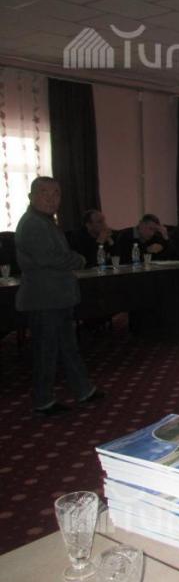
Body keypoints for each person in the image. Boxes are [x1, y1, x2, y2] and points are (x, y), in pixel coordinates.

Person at [15, 177, 103, 415]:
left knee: (67, 347)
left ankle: (83, 390)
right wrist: (79, 259)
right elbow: (49, 258)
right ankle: (43, 401)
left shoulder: (45, 221)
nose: (51, 199)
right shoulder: (33, 223)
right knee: (46, 351)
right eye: (45, 193)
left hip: (58, 297)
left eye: (56, 194)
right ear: (31, 196)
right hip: (44, 299)